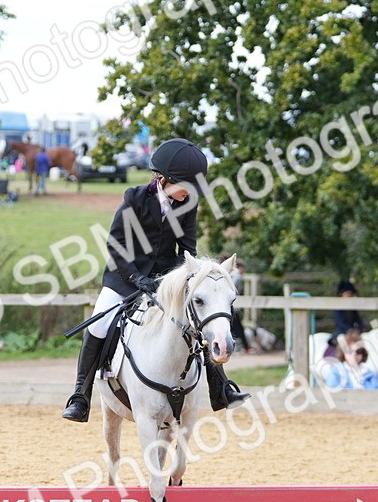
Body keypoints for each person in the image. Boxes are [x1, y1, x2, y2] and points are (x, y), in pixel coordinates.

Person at [61, 137, 249, 423]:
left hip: (165, 279)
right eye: (186, 187)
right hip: (124, 276)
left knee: (197, 319)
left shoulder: (188, 203)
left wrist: (189, 275)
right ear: (165, 180)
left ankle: (220, 388)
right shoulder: (135, 199)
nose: (190, 193)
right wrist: (136, 278)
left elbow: (187, 248)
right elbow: (116, 246)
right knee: (99, 322)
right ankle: (80, 395)